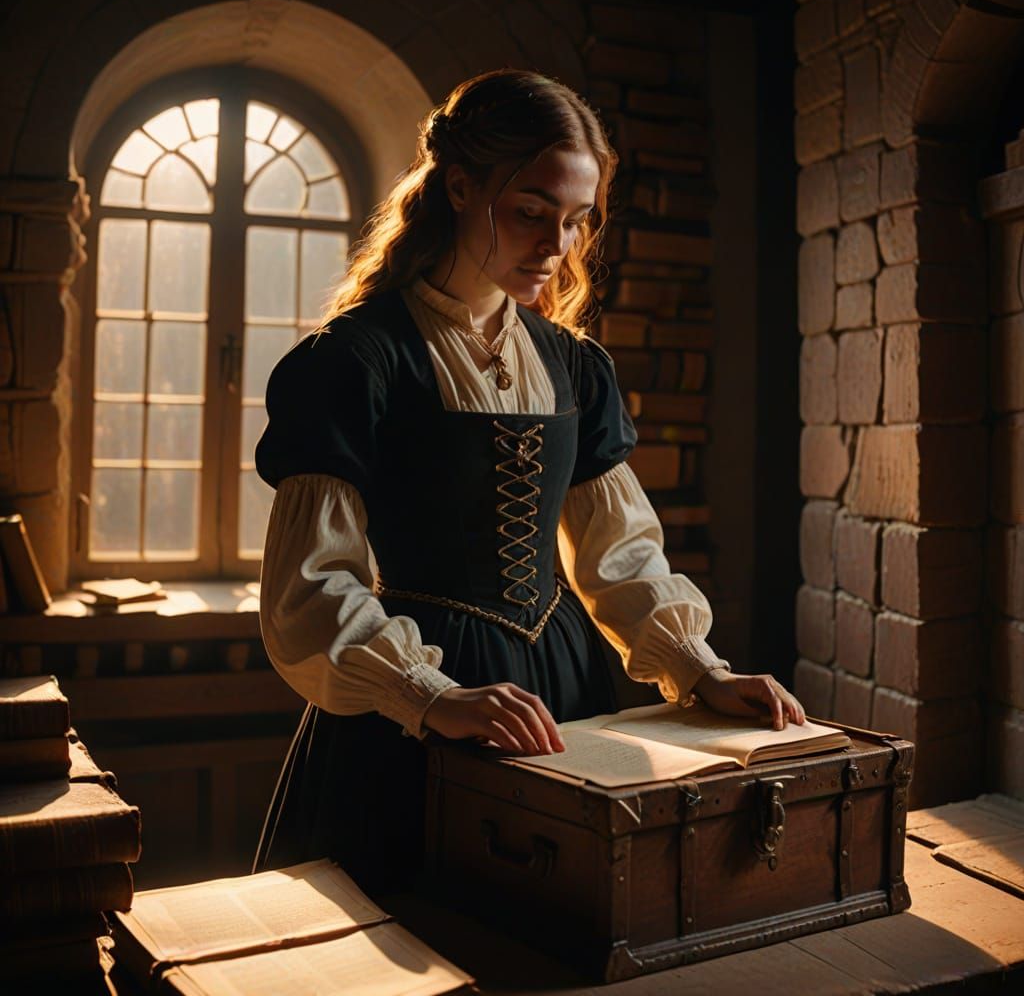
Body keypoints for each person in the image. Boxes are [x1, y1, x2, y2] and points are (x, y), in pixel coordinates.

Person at [252, 68, 805, 893]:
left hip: (567, 693)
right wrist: (429, 695)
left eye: (577, 222)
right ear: (460, 186)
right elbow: (309, 585)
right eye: (531, 213)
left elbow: (619, 555)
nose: (556, 246)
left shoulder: (573, 367)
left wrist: (701, 669)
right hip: (422, 705)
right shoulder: (355, 362)